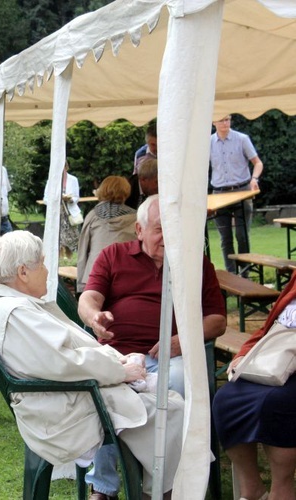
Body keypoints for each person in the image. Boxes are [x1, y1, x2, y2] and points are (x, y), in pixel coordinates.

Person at [0, 231, 183, 498]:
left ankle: (158, 488)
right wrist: (120, 371)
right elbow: (64, 363)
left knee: (168, 400)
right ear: (23, 273)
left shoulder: (18, 305)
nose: (47, 270)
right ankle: (163, 492)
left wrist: (118, 361)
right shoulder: (14, 312)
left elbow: (69, 352)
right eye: (41, 263)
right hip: (67, 411)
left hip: (71, 396)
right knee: (172, 407)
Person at [77, 195, 226, 499]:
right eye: (160, 228)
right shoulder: (113, 255)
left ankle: (163, 482)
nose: (168, 236)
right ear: (139, 230)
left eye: (174, 228)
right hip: (117, 353)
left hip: (172, 356)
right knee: (103, 392)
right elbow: (88, 298)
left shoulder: (195, 263)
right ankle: (103, 486)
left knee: (178, 383)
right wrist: (96, 317)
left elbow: (217, 319)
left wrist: (181, 341)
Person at [213, 272, 296, 500]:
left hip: (289, 366)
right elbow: (270, 325)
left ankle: (281, 488)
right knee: (226, 399)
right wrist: (244, 353)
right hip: (277, 354)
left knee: (275, 403)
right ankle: (252, 490)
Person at [210, 114, 264, 274]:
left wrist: (254, 179)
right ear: (214, 122)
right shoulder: (208, 142)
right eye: (222, 119)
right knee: (225, 238)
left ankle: (245, 274)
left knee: (242, 236)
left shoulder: (242, 139)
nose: (225, 123)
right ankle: (231, 275)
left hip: (242, 190)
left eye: (227, 119)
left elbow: (258, 163)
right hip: (219, 194)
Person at [76, 176, 136, 293]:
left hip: (95, 275)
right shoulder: (137, 218)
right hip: (126, 275)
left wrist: (81, 287)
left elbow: (82, 251)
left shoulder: (92, 216)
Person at [44, 162, 81, 259]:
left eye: (63, 167)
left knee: (70, 235)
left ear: (66, 167)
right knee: (58, 235)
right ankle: (58, 256)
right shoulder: (51, 180)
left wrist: (70, 199)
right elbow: (46, 198)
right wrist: (56, 200)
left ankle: (69, 255)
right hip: (57, 212)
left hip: (69, 211)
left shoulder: (73, 179)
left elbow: (76, 197)